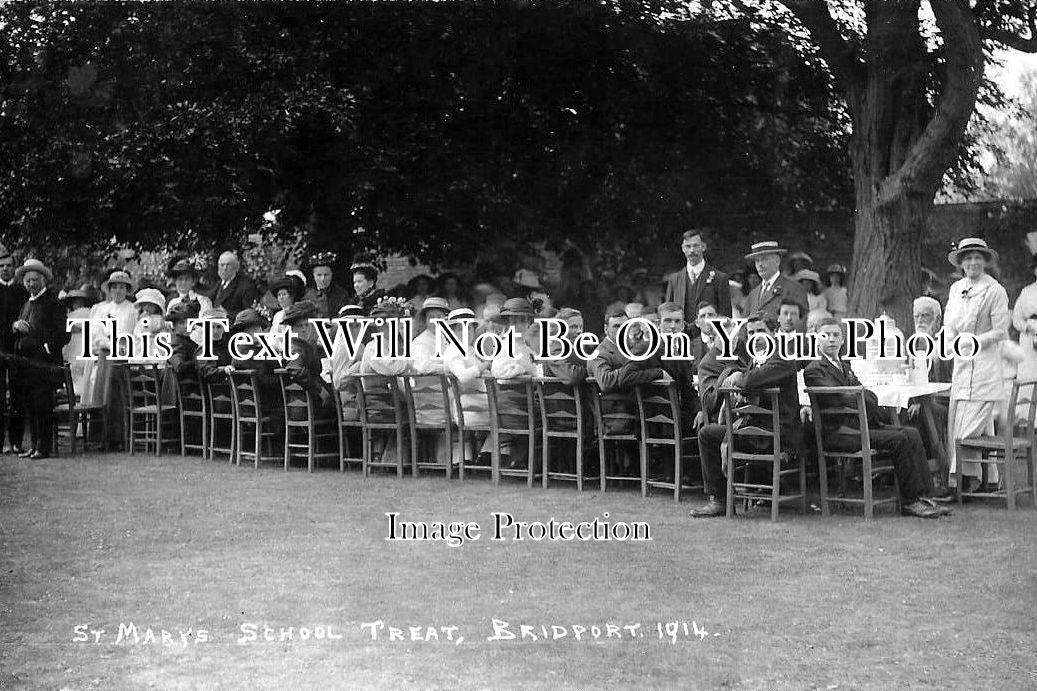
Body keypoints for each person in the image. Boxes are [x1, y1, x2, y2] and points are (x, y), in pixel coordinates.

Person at [804, 318, 947, 518]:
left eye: (836, 335)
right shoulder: (814, 370)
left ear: (843, 340)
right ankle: (910, 501)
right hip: (840, 432)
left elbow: (866, 395)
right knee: (898, 439)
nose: (831, 340)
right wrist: (861, 395)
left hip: (860, 426)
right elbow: (837, 398)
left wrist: (861, 395)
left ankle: (924, 496)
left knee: (912, 433)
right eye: (825, 335)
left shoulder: (845, 367)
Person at [690, 314, 799, 517]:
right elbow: (750, 383)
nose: (756, 337)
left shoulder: (782, 355)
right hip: (759, 431)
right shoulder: (755, 358)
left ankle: (720, 501)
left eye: (761, 331)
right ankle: (721, 499)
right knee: (707, 433)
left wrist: (738, 377)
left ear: (774, 333)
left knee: (709, 434)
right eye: (751, 333)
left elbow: (751, 381)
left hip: (779, 435)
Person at [943, 238, 1010, 494]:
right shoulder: (956, 288)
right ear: (961, 263)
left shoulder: (994, 290)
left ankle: (960, 479)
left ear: (984, 261)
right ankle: (986, 479)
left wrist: (972, 341)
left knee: (969, 426)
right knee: (959, 421)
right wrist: (951, 342)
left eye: (977, 258)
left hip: (984, 368)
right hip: (961, 366)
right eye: (967, 258)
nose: (972, 263)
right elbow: (949, 323)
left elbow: (1000, 331)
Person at [10, 259, 69, 459]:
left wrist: (44, 345)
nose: (31, 285)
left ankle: (43, 447)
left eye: (34, 280)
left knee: (43, 404)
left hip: (44, 364)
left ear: (43, 280)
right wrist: (17, 326)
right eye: (27, 281)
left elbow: (62, 334)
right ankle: (34, 444)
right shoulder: (26, 304)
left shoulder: (54, 303)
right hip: (25, 364)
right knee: (30, 404)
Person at [664, 229, 731, 336]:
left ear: (703, 247)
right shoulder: (674, 280)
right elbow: (667, 313)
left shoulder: (720, 278)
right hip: (681, 339)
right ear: (682, 249)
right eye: (688, 246)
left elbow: (725, 316)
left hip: (709, 339)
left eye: (696, 246)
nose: (692, 250)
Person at [0, 246, 28, 453]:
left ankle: (16, 442)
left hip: (18, 350)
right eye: (1, 266)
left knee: (18, 395)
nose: (5, 269)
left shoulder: (23, 292)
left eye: (9, 266)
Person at [744, 241, 808, 323]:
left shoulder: (794, 288)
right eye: (757, 261)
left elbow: (802, 321)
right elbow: (743, 324)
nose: (760, 264)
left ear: (777, 261)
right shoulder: (753, 294)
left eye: (764, 259)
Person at [89, 270, 137, 356]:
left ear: (127, 290)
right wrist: (109, 345)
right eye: (114, 287)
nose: (118, 291)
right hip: (105, 352)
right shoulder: (101, 310)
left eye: (122, 287)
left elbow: (138, 332)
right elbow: (96, 332)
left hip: (126, 352)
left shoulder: (134, 309)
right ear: (109, 290)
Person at [211, 251, 258, 321]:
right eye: (222, 265)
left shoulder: (246, 286)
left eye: (228, 265)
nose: (225, 268)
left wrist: (226, 314)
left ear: (236, 267)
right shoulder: (217, 284)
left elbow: (249, 314)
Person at [1011, 254, 1037, 381]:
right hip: (1030, 336)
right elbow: (1017, 317)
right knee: (1029, 374)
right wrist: (1027, 328)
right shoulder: (1027, 291)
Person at [411, 297, 451, 375]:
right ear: (425, 320)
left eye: (439, 316)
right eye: (431, 317)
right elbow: (423, 366)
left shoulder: (447, 337)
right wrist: (449, 367)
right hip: (427, 386)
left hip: (448, 384)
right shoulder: (420, 342)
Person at [305, 251, 350, 319]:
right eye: (319, 275)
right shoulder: (307, 296)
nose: (322, 279)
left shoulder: (342, 295)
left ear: (331, 274)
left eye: (326, 275)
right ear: (313, 276)